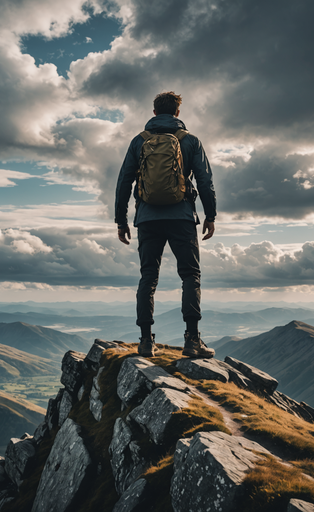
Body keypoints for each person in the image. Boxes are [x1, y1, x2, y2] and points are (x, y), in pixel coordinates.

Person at [115, 91, 217, 359]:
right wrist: (210, 215)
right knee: (190, 275)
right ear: (178, 113)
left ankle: (146, 342)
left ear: (154, 113)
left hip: (147, 218)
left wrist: (121, 220)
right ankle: (192, 341)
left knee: (148, 277)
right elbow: (205, 181)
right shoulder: (190, 141)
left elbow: (124, 181)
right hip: (181, 217)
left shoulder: (139, 142)